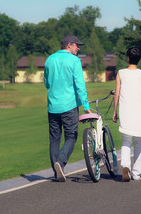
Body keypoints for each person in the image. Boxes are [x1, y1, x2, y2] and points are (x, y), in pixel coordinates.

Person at [44, 35, 92, 182]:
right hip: (69, 105)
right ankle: (61, 162)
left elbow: (46, 83)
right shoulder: (74, 61)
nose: (78, 48)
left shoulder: (49, 59)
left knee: (54, 139)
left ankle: (57, 171)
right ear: (69, 45)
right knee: (71, 136)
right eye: (77, 45)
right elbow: (80, 85)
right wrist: (86, 106)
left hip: (53, 106)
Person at [112, 47, 141, 182]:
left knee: (126, 141)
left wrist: (115, 111)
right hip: (140, 112)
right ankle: (136, 173)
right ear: (139, 59)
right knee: (138, 142)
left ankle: (126, 165)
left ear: (127, 58)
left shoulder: (120, 73)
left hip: (125, 112)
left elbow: (117, 94)